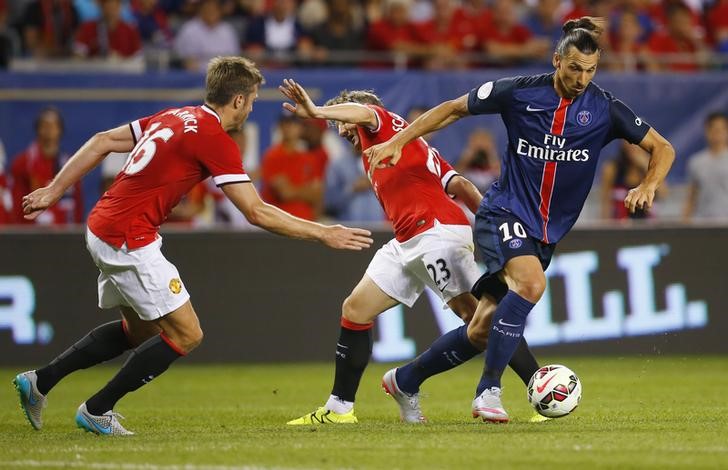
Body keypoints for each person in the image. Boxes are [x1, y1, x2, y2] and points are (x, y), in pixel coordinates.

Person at [12, 56, 373, 436]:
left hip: (104, 226)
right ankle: (97, 408)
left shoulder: (175, 116)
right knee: (187, 334)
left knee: (139, 331)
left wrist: (55, 189)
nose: (251, 109)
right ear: (237, 100)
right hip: (127, 237)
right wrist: (323, 233)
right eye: (250, 100)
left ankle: (41, 381)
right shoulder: (213, 137)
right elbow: (256, 211)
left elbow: (103, 141)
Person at [366, 17, 675, 423]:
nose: (581, 78)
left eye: (590, 70)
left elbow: (663, 148)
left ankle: (405, 380)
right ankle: (488, 392)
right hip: (503, 211)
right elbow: (451, 110)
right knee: (531, 283)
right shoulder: (519, 92)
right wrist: (397, 140)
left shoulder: (604, 108)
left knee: (482, 328)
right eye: (574, 68)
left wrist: (649, 185)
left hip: (546, 232)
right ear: (557, 60)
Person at [279, 79, 542, 425]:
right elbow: (459, 184)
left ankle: (538, 388)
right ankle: (340, 407)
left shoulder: (384, 125)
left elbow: (365, 111)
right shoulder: (412, 147)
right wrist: (488, 221)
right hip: (406, 241)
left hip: (436, 233)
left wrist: (316, 111)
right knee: (355, 310)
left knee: (478, 319)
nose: (342, 132)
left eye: (344, 125)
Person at [10, 107, 83, 225]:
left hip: (63, 234)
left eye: (53, 126)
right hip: (30, 234)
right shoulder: (22, 163)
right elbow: (17, 204)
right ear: (37, 129)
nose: (49, 130)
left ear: (60, 130)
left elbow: (77, 204)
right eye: (44, 126)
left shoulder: (70, 165)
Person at [683, 112, 728, 221]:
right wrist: (685, 221)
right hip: (702, 222)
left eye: (721, 130)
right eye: (714, 130)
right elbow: (691, 197)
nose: (718, 134)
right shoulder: (696, 162)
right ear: (707, 131)